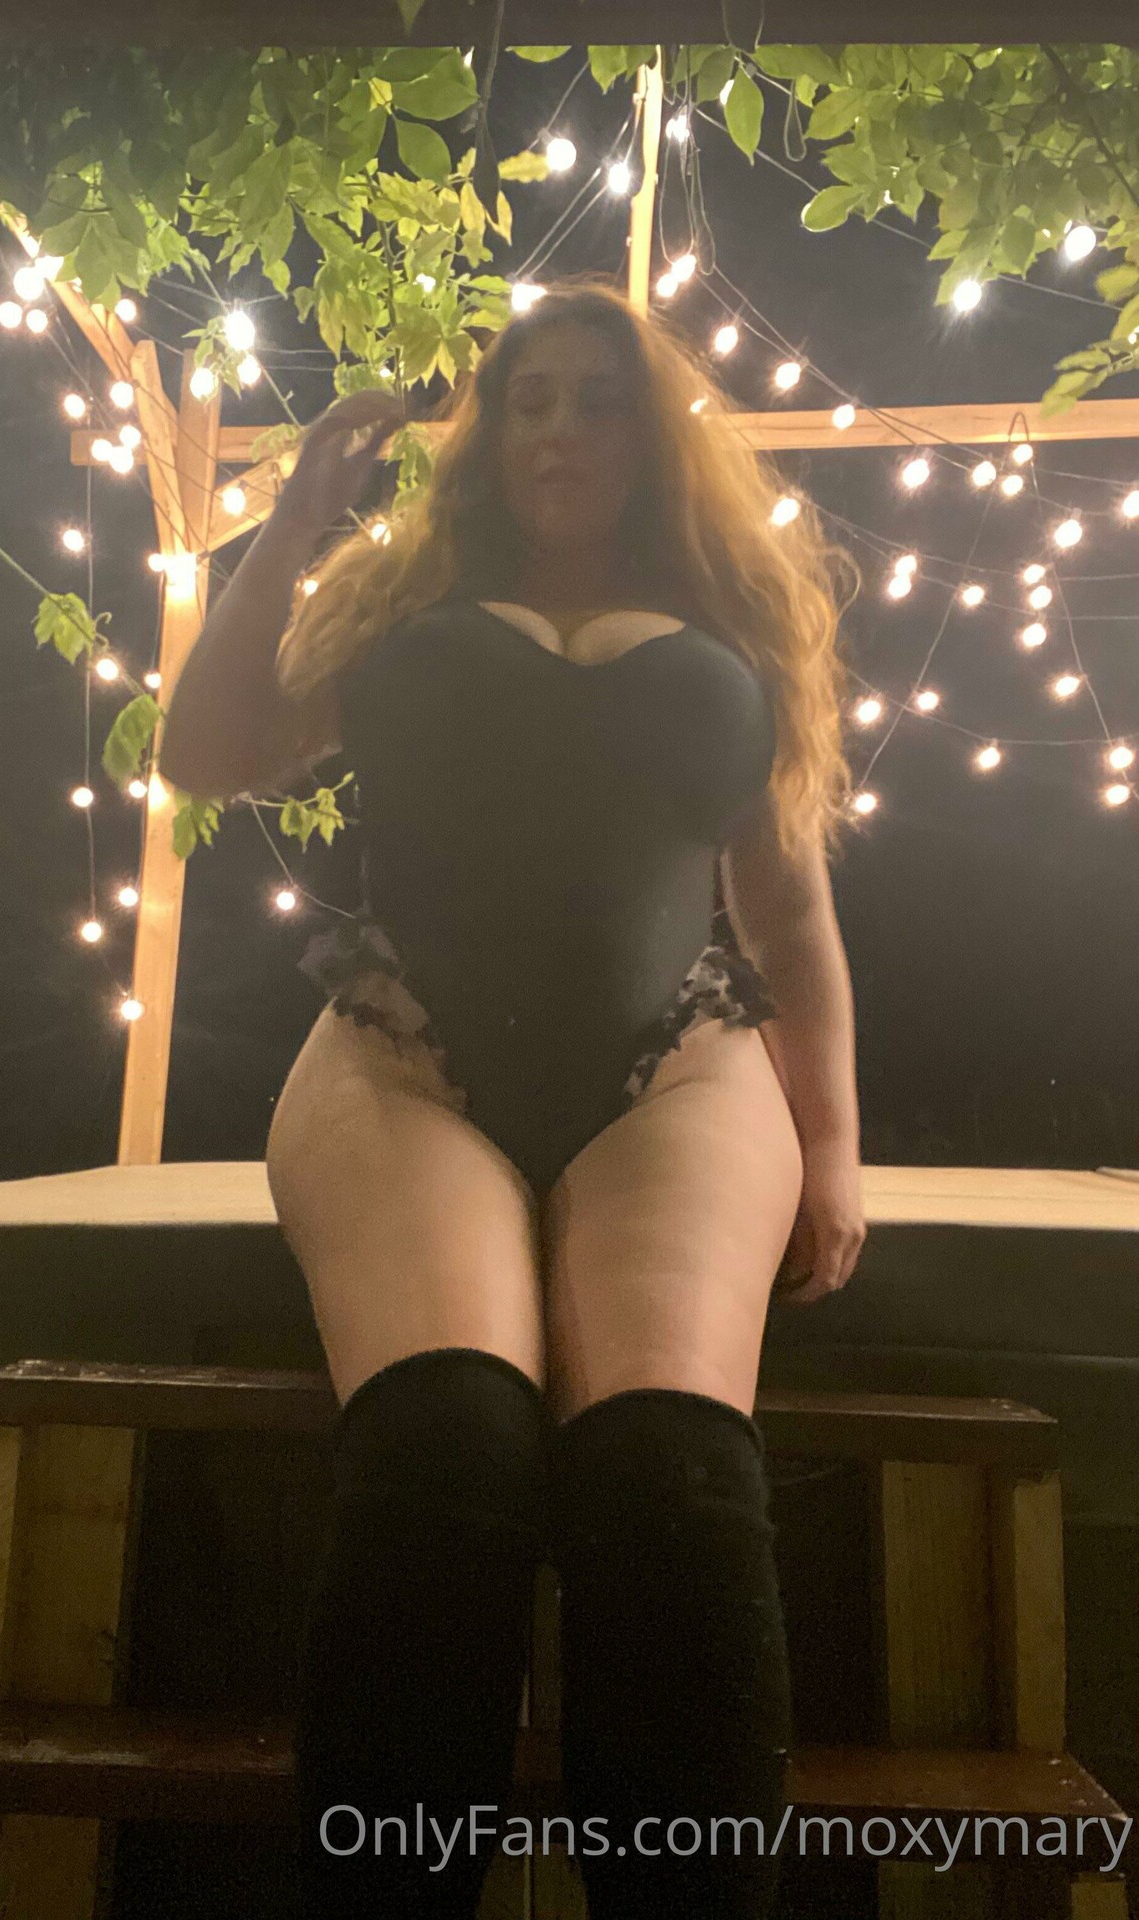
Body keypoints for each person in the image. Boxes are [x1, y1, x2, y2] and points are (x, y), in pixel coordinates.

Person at [159, 277, 867, 1919]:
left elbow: (787, 913)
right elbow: (207, 754)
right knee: (446, 1457)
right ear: (487, 432)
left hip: (677, 1066)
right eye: (529, 398)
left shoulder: (734, 623)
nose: (559, 429)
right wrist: (293, 526)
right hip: (407, 1055)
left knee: (672, 1485)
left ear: (654, 432)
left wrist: (834, 1148)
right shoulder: (404, 600)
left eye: (598, 399)